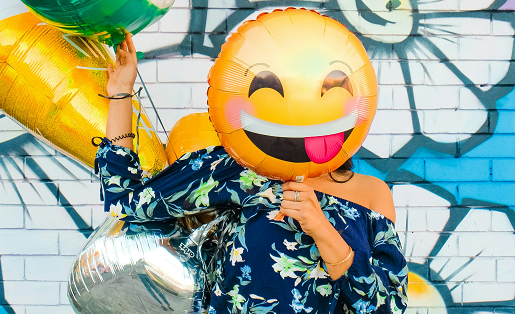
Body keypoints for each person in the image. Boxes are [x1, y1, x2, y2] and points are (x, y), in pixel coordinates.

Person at [95, 35, 408, 314]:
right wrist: (121, 93)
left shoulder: (371, 194)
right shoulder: (237, 169)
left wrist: (323, 231)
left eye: (323, 89)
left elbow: (388, 307)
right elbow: (128, 202)